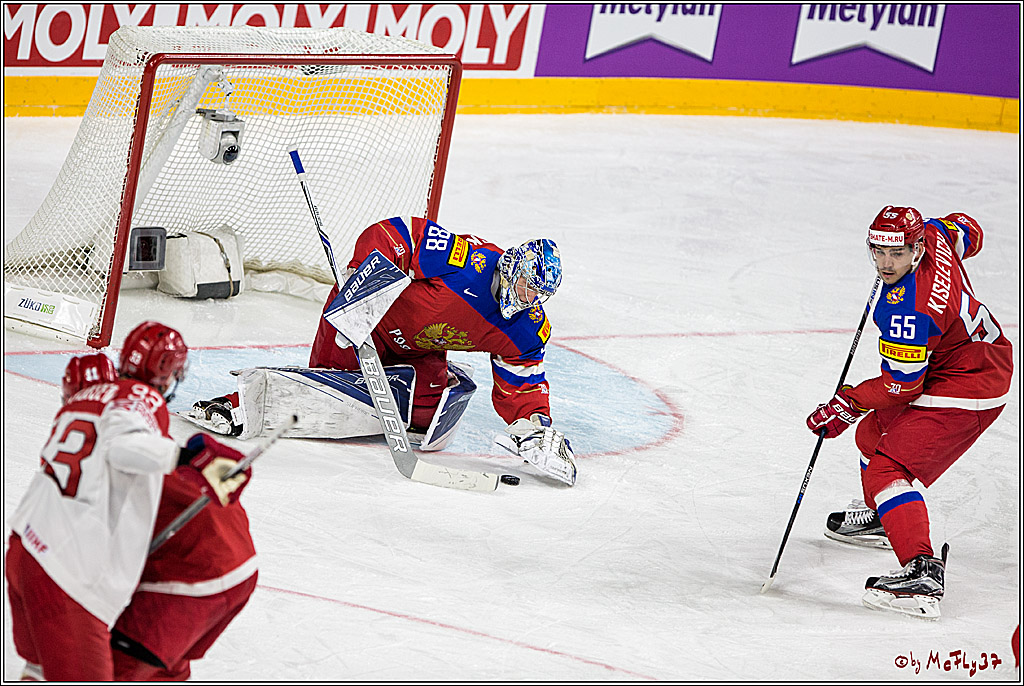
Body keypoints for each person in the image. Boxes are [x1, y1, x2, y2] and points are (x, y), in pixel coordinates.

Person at [189, 216, 576, 485]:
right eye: (525, 285)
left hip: (419, 352)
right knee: (328, 391)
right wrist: (362, 291)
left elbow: (524, 380)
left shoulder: (525, 327)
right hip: (361, 325)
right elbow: (396, 234)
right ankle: (237, 402)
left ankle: (396, 390)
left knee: (424, 423)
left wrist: (534, 427)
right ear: (511, 265)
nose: (527, 298)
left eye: (537, 294)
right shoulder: (466, 261)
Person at [5, 322, 251, 681]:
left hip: (25, 548)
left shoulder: (85, 399)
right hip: (68, 574)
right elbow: (122, 444)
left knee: (40, 671)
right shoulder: (139, 396)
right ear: (165, 371)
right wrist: (186, 456)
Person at [806, 207, 1013, 619]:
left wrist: (847, 402)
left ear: (915, 249)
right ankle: (888, 519)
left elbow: (901, 387)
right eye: (878, 253)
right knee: (870, 436)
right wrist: (949, 232)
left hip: (970, 383)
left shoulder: (907, 314)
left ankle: (921, 573)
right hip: (967, 359)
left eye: (896, 254)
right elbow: (968, 229)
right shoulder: (936, 235)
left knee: (887, 469)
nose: (886, 264)